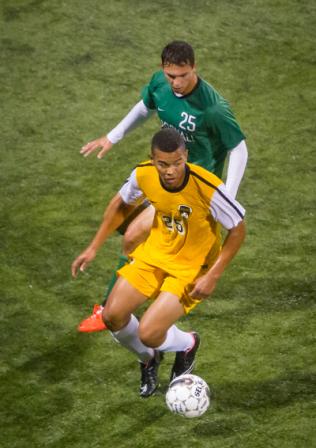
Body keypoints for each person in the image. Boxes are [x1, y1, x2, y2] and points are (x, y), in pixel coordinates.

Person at [79, 40, 248, 331]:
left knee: (133, 235)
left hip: (194, 192)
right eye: (171, 75)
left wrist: (226, 196)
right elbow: (145, 107)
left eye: (183, 75)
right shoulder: (160, 84)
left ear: (194, 68)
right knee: (131, 237)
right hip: (165, 178)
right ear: (163, 70)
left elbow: (239, 148)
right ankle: (126, 298)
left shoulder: (214, 108)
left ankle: (117, 306)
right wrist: (112, 136)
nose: (177, 82)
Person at [72, 128, 246, 397]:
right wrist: (94, 246)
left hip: (191, 267)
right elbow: (121, 204)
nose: (170, 171)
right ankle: (148, 359)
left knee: (150, 332)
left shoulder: (206, 186)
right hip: (155, 254)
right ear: (152, 159)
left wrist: (214, 274)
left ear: (185, 156)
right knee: (111, 316)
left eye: (177, 163)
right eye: (163, 164)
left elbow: (238, 229)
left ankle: (187, 343)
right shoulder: (143, 174)